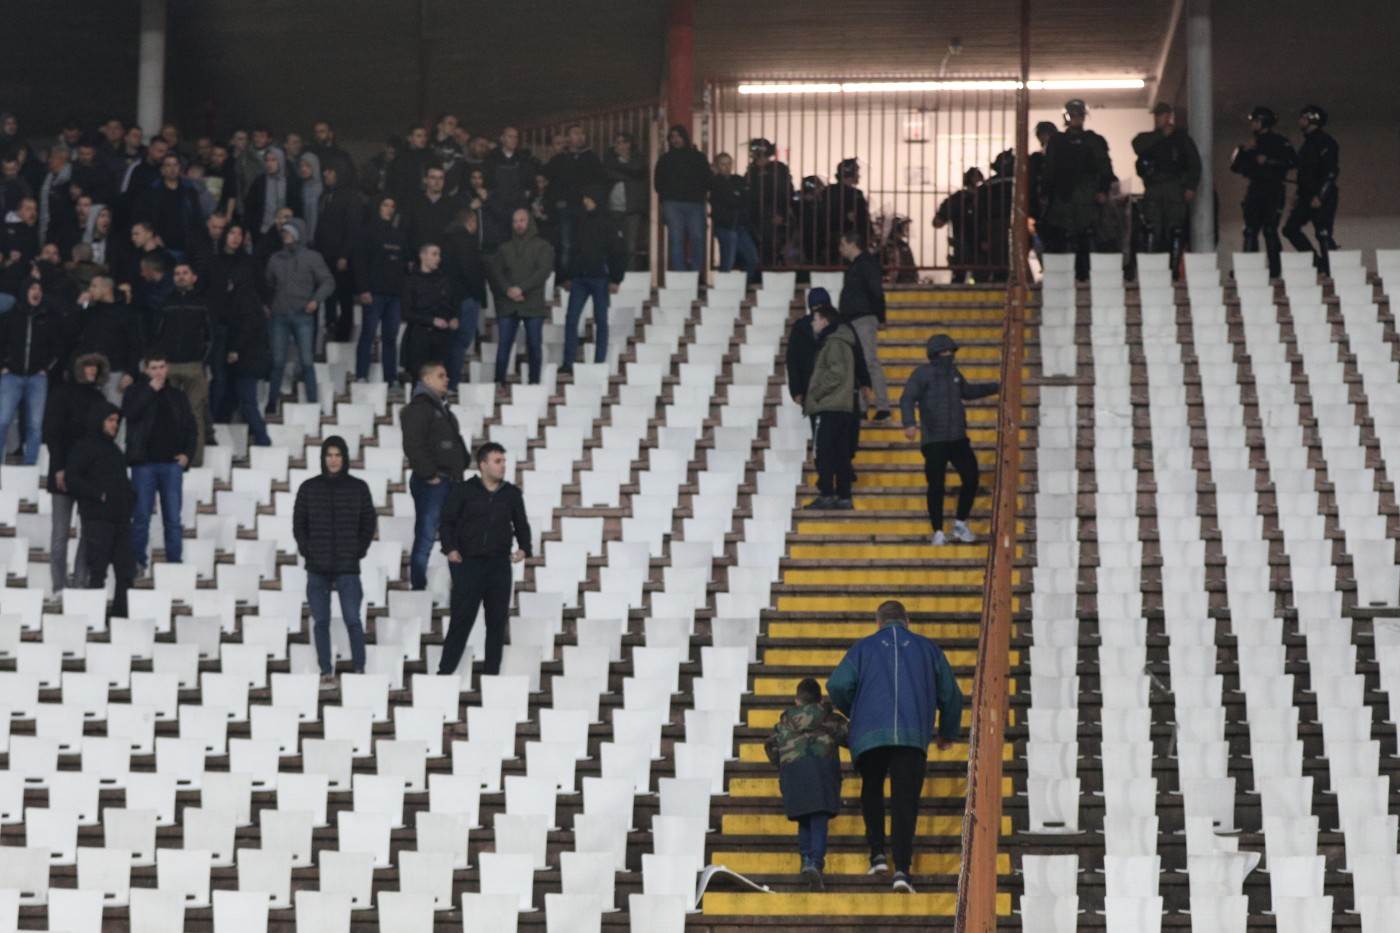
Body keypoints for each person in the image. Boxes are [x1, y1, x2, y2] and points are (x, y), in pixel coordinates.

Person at [826, 599, 964, 894]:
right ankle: (902, 869)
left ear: (878, 622)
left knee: (871, 788)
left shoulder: (862, 648)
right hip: (912, 735)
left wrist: (857, 711)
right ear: (907, 621)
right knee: (905, 801)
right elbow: (951, 694)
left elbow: (837, 685)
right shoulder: (929, 649)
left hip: (870, 735)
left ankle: (877, 854)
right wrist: (948, 731)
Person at [438, 441, 532, 677]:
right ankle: (443, 677)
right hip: (468, 565)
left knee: (496, 624)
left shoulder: (511, 493)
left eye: (504, 461)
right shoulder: (463, 490)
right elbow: (446, 522)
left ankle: (491, 679)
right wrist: (450, 548)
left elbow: (522, 525)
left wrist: (524, 548)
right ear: (483, 465)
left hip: (499, 566)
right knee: (460, 622)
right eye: (497, 461)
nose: (503, 466)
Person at [293, 435, 377, 687]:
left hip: (347, 566)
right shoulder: (309, 487)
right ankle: (326, 671)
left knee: (352, 618)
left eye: (337, 455)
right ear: (323, 458)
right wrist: (308, 551)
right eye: (329, 455)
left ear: (344, 458)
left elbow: (368, 522)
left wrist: (357, 551)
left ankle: (359, 669)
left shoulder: (358, 487)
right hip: (317, 566)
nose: (333, 460)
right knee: (321, 622)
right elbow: (299, 525)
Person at [901, 334, 999, 546]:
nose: (950, 355)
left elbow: (968, 391)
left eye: (951, 352)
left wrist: (995, 387)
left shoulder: (954, 373)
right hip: (934, 440)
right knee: (936, 485)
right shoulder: (922, 373)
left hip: (957, 438)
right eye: (946, 352)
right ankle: (937, 531)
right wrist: (909, 423)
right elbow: (907, 398)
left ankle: (960, 524)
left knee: (971, 477)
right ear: (936, 353)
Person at [763, 677, 848, 890]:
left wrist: (782, 762)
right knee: (819, 817)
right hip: (822, 771)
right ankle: (816, 863)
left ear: (797, 700)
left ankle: (806, 860)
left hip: (794, 772)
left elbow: (771, 746)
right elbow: (850, 737)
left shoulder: (784, 722)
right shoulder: (831, 719)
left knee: (803, 818)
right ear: (819, 699)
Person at [122, 354, 196, 573]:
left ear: (168, 368)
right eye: (153, 368)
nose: (158, 372)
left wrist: (187, 455)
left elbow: (191, 428)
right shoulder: (135, 392)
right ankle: (138, 565)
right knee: (141, 517)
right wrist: (150, 390)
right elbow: (130, 413)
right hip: (143, 464)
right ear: (146, 370)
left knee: (173, 519)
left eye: (162, 367)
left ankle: (174, 566)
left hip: (172, 465)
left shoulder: (178, 395)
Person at [44, 352, 110, 591]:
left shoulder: (99, 398)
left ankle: (80, 582)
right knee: (60, 535)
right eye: (87, 366)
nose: (91, 370)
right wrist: (60, 468)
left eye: (95, 366)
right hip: (63, 472)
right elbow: (54, 434)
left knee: (88, 533)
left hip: (89, 476)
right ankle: (59, 586)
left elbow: (103, 439)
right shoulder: (62, 394)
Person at [400, 361, 468, 591]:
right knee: (426, 538)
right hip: (435, 483)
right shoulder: (419, 409)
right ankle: (418, 590)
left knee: (456, 539)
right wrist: (430, 475)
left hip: (451, 482)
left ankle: (461, 589)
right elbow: (413, 445)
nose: (447, 379)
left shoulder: (441, 408)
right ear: (427, 379)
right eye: (441, 375)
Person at [65, 404, 135, 618]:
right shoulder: (83, 447)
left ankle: (119, 618)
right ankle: (94, 620)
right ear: (99, 420)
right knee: (97, 572)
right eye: (110, 420)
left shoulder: (115, 451)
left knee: (126, 572)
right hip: (97, 519)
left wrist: (130, 499)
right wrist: (99, 495)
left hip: (121, 519)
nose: (115, 425)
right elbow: (72, 479)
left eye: (116, 421)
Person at [1041, 99, 1114, 282]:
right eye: (1073, 115)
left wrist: (1103, 190)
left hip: (1086, 196)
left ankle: (1084, 275)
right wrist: (1046, 195)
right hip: (1063, 195)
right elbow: (1049, 170)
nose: (1075, 119)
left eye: (1078, 115)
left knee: (1086, 236)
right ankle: (1062, 277)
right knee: (1060, 236)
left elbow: (1105, 168)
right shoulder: (1057, 141)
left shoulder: (1093, 140)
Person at [264, 217, 333, 414]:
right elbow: (268, 284)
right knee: (277, 361)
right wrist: (267, 305)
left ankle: (313, 404)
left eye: (289, 232)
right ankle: (271, 402)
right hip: (279, 315)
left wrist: (315, 300)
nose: (285, 235)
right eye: (284, 232)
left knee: (307, 362)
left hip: (303, 315)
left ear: (298, 234)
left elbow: (328, 282)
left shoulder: (312, 257)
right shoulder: (275, 258)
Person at [214, 226, 273, 446]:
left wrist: (235, 349)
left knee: (245, 400)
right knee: (229, 395)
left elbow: (248, 328)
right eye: (232, 233)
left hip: (246, 354)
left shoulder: (247, 301)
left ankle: (262, 439)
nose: (236, 238)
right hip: (238, 348)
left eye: (240, 234)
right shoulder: (218, 264)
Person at [1131, 102, 1201, 277]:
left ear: (1169, 116)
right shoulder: (1149, 138)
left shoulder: (1181, 139)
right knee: (1153, 229)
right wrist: (1161, 135)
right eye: (1156, 115)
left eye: (1161, 115)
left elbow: (1194, 164)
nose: (1158, 118)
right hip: (1154, 187)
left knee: (1175, 230)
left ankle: (1173, 271)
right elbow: (1137, 146)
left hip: (1174, 187)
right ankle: (1151, 271)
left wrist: (1190, 186)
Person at [0, 281, 65, 464]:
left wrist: (46, 368)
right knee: (2, 421)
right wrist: (3, 365)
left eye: (40, 289)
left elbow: (57, 347)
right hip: (11, 375)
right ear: (24, 291)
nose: (37, 293)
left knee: (35, 425)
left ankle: (30, 466)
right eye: (33, 288)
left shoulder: (48, 317)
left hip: (37, 377)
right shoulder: (10, 316)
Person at [154, 261, 212, 466]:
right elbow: (157, 334)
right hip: (169, 365)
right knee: (168, 412)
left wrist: (203, 360)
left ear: (194, 277)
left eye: (185, 273)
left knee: (194, 412)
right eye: (177, 273)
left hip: (194, 365)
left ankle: (194, 460)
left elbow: (211, 335)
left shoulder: (203, 302)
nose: (180, 276)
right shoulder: (165, 302)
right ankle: (170, 456)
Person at [562, 189, 626, 372]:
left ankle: (599, 364)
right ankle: (568, 363)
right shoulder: (579, 220)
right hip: (580, 278)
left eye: (588, 198)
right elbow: (571, 249)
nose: (585, 202)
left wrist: (616, 278)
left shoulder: (608, 223)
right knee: (571, 320)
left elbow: (619, 252)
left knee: (601, 321)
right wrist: (568, 275)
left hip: (600, 278)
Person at [1229, 106, 1297, 279]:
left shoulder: (1279, 141)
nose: (1253, 125)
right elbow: (1235, 166)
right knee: (1250, 230)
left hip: (1273, 189)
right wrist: (1244, 151)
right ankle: (1249, 270)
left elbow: (1292, 161)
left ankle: (1275, 271)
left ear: (1263, 122)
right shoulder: (1252, 143)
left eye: (1256, 121)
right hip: (1255, 189)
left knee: (1269, 230)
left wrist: (1269, 161)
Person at [490, 208, 555, 390]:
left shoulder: (543, 246)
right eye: (515, 221)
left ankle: (534, 384)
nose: (519, 224)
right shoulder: (504, 248)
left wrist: (521, 288)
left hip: (532, 302)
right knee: (504, 345)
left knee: (534, 345)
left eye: (522, 220)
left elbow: (543, 272)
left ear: (530, 222)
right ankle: (498, 383)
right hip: (508, 303)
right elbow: (497, 272)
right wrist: (508, 289)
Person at [802, 303, 859, 510]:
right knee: (841, 452)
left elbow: (836, 374)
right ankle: (844, 496)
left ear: (825, 321)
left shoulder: (833, 343)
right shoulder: (841, 341)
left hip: (829, 406)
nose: (812, 322)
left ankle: (827, 493)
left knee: (824, 452)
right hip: (842, 406)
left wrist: (815, 393)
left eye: (815, 319)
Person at [353, 195, 407, 383]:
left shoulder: (399, 234)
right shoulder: (367, 232)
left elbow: (402, 265)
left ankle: (390, 378)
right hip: (374, 292)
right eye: (385, 205)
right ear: (378, 207)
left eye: (392, 206)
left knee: (390, 337)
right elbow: (359, 262)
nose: (389, 209)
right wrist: (363, 289)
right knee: (368, 334)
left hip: (394, 294)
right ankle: (361, 375)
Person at [1282, 104, 1340, 275]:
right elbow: (1303, 173)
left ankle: (1331, 271)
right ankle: (1318, 263)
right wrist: (1298, 195)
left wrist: (1320, 195)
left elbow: (1331, 172)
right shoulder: (1308, 143)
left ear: (1311, 119)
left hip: (1321, 195)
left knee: (1323, 233)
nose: (1300, 121)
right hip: (1306, 195)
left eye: (1303, 117)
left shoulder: (1326, 142)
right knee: (1290, 229)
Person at [838, 232, 888, 421]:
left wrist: (881, 317)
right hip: (853, 320)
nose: (840, 249)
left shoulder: (866, 263)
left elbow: (876, 291)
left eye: (842, 244)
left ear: (852, 244)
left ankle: (882, 406)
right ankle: (862, 407)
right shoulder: (856, 266)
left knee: (868, 362)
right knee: (858, 363)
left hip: (864, 319)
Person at [544, 124, 605, 273]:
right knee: (566, 244)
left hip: (586, 208)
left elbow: (600, 182)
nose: (580, 136)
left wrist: (593, 199)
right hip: (566, 208)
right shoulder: (560, 159)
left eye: (582, 133)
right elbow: (551, 183)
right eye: (576, 133)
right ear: (567, 138)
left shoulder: (592, 157)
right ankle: (565, 280)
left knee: (586, 243)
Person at [72, 275, 140, 404]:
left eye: (94, 286)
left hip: (115, 373)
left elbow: (135, 345)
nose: (90, 290)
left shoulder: (125, 313)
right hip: (90, 372)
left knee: (112, 413)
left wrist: (131, 372)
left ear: (107, 288)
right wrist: (79, 306)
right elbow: (72, 332)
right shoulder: (90, 312)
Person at [441, 208, 487, 391]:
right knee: (460, 341)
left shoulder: (445, 240)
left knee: (450, 341)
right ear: (471, 222)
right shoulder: (467, 242)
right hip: (466, 297)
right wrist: (479, 296)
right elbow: (471, 272)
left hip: (448, 298)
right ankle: (452, 383)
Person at [653, 124, 710, 272]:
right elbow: (658, 182)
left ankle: (695, 273)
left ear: (685, 137)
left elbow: (707, 179)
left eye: (678, 136)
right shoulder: (665, 159)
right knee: (676, 239)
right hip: (673, 203)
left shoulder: (698, 157)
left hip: (693, 203)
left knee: (697, 238)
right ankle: (681, 274)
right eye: (672, 137)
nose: (675, 139)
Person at [400, 242, 455, 383]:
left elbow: (451, 304)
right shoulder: (410, 280)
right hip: (418, 337)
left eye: (439, 255)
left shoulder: (444, 279)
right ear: (422, 256)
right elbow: (406, 312)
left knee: (439, 381)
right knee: (419, 380)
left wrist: (454, 317)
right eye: (434, 254)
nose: (438, 258)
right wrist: (431, 321)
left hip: (441, 338)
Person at [136, 153, 203, 258]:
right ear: (162, 169)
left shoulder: (189, 189)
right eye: (168, 165)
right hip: (161, 245)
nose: (172, 169)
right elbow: (145, 216)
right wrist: (153, 236)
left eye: (175, 165)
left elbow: (197, 216)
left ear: (180, 168)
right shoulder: (153, 191)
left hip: (187, 245)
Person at [709, 153, 759, 281]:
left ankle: (740, 286)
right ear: (717, 166)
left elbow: (748, 199)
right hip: (725, 226)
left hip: (740, 225)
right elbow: (732, 200)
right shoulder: (715, 182)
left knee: (752, 258)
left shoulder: (738, 179)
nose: (726, 167)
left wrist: (737, 197)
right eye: (722, 164)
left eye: (728, 163)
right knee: (728, 262)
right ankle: (724, 288)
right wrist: (737, 196)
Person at [746, 139, 794, 268]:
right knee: (758, 247)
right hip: (755, 217)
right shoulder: (751, 171)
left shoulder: (778, 169)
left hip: (773, 215)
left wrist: (781, 214)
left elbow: (786, 192)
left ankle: (771, 271)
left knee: (772, 246)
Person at [604, 132, 647, 270]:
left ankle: (630, 275)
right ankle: (615, 274)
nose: (620, 145)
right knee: (614, 244)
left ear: (629, 144)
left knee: (631, 246)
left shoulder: (638, 159)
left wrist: (623, 172)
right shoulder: (609, 161)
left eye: (623, 142)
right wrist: (630, 175)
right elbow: (608, 174)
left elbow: (638, 171)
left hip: (633, 208)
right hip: (613, 208)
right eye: (617, 142)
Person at [933, 168, 984, 283]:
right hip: (979, 246)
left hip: (964, 245)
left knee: (961, 277)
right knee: (981, 277)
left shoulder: (956, 199)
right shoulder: (985, 197)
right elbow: (938, 222)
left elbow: (938, 222)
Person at [822, 158, 871, 264]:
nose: (859, 175)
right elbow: (863, 219)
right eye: (857, 172)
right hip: (851, 244)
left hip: (830, 243)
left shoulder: (828, 191)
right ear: (850, 173)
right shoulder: (855, 194)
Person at [404, 164, 462, 253]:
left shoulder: (453, 205)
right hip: (418, 256)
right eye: (433, 178)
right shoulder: (414, 203)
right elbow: (406, 232)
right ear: (425, 180)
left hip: (444, 258)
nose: (437, 182)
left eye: (440, 178)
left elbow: (455, 236)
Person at [243, 147, 300, 237]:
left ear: (280, 161)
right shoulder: (260, 181)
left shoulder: (291, 182)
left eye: (273, 160)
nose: (269, 164)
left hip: (285, 232)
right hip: (261, 231)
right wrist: (247, 230)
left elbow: (297, 208)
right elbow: (249, 207)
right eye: (267, 160)